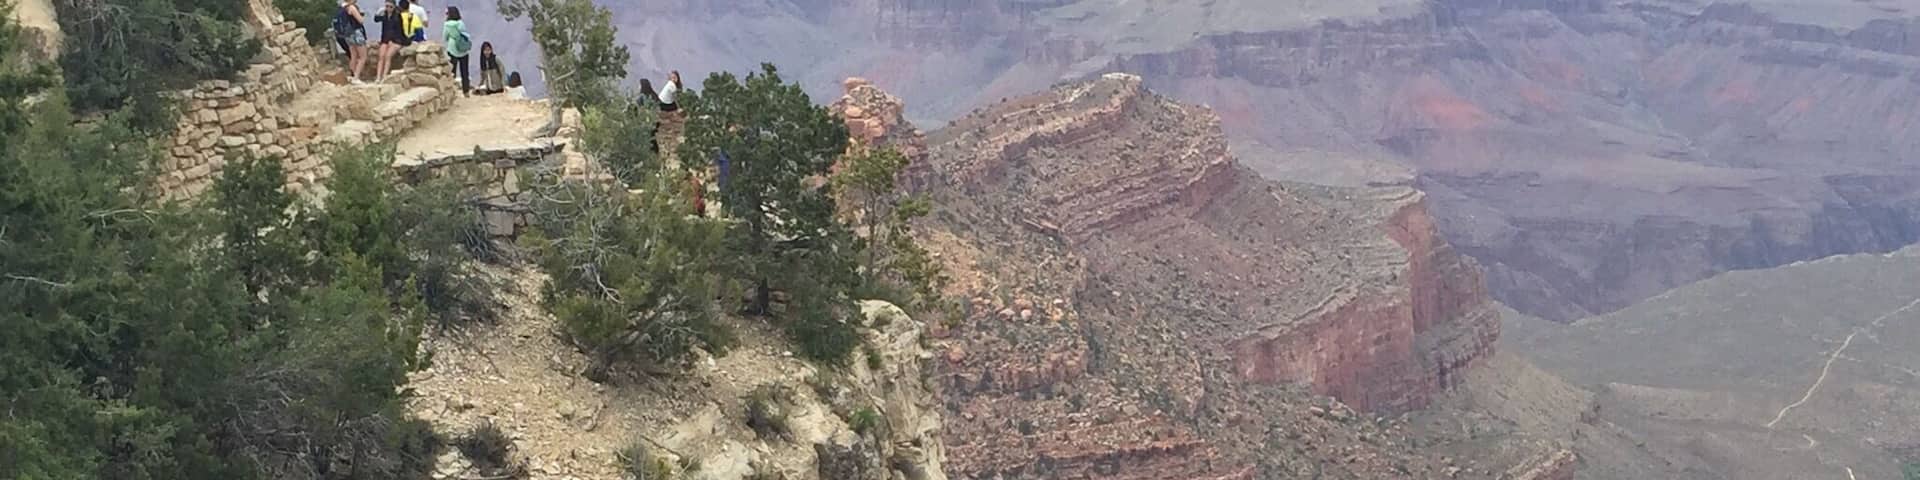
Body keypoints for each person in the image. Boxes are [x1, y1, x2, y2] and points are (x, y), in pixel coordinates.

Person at [332, 0, 368, 84]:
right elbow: (360, 20)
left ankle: (352, 76)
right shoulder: (351, 7)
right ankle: (356, 77)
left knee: (353, 56)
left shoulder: (342, 8)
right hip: (356, 33)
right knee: (363, 57)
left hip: (347, 35)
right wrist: (362, 15)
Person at [373, 0, 410, 82]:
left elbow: (399, 31)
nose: (388, 8)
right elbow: (376, 19)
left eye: (390, 7)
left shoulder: (397, 16)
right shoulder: (385, 15)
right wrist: (379, 11)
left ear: (394, 7)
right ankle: (378, 77)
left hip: (396, 40)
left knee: (388, 56)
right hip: (385, 39)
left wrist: (392, 40)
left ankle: (384, 76)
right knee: (381, 56)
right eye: (387, 6)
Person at [443, 6, 471, 94]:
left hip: (452, 48)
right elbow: (465, 34)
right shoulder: (461, 23)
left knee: (452, 71)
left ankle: (452, 91)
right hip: (462, 49)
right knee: (465, 72)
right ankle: (466, 91)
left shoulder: (446, 25)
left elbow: (445, 37)